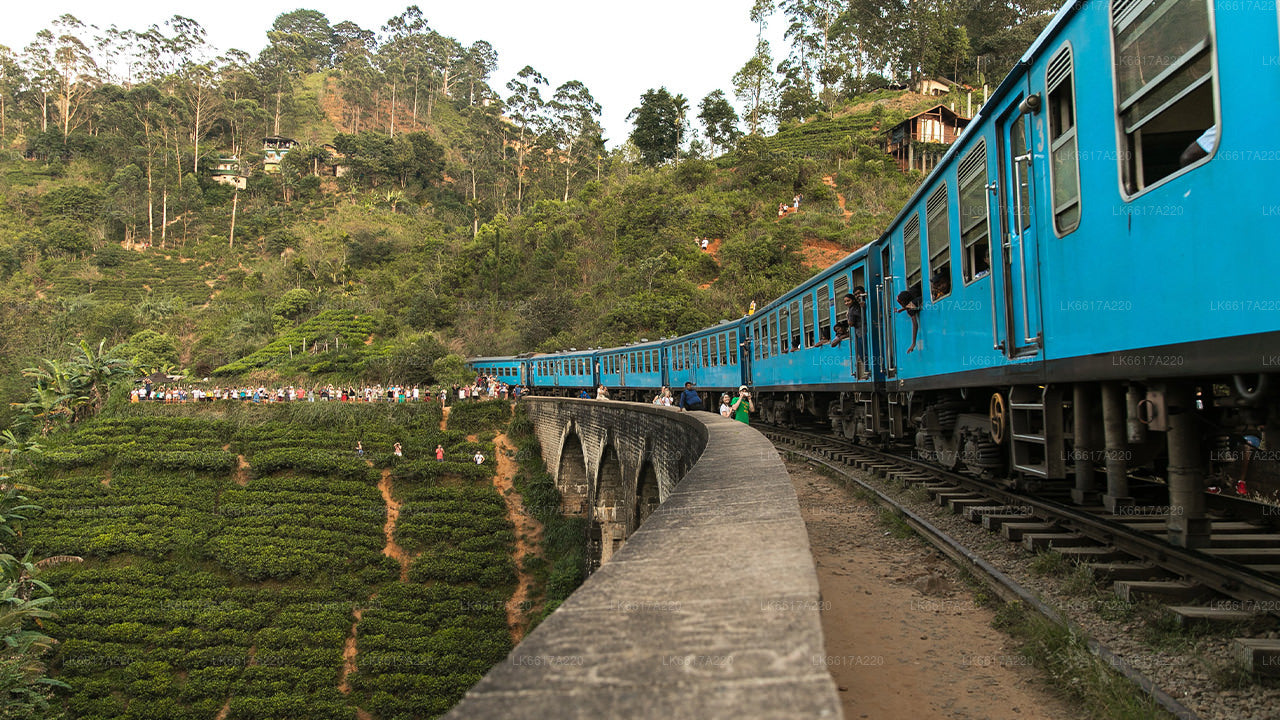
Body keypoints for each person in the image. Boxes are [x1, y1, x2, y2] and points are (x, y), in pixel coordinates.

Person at [897, 285, 923, 352]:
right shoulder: (913, 292)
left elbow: (915, 324)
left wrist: (913, 343)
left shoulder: (910, 308)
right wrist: (903, 309)